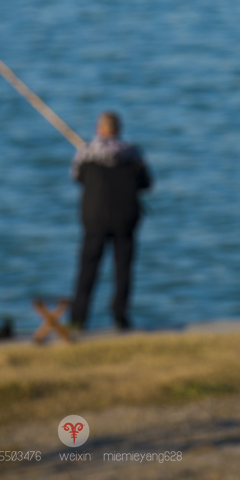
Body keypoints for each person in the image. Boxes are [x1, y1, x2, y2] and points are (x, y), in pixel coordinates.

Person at [70, 112, 152, 330]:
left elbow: (77, 177)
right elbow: (146, 183)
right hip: (125, 220)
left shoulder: (86, 153)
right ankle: (120, 316)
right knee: (123, 270)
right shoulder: (132, 154)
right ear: (119, 130)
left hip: (95, 220)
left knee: (88, 270)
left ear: (100, 129)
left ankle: (78, 318)